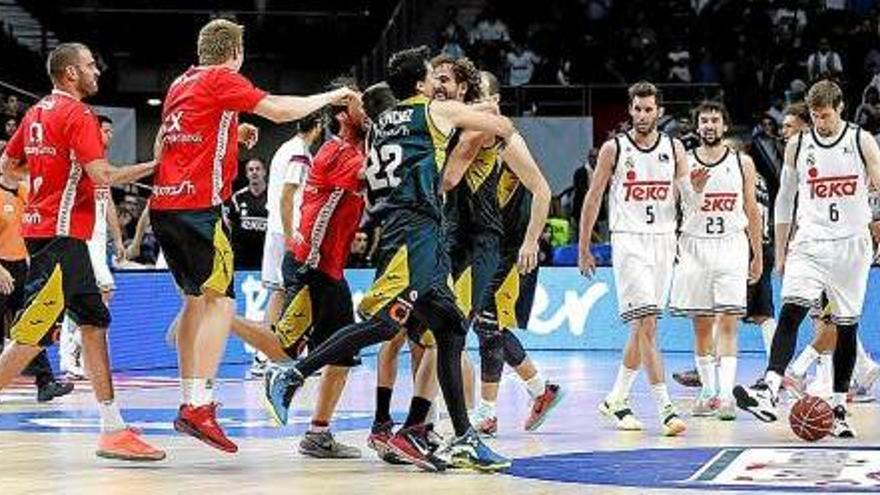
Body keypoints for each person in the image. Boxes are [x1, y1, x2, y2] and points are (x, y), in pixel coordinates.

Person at [262, 45, 518, 472]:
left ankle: (465, 439)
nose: (438, 83)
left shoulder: (381, 125)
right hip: (411, 237)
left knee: (452, 328)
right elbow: (501, 126)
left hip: (416, 235)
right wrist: (485, 105)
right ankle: (291, 374)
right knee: (384, 324)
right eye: (432, 77)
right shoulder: (435, 113)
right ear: (420, 85)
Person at [150, 18, 358, 454]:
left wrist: (230, 132)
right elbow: (280, 110)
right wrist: (334, 94)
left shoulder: (180, 83)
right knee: (222, 303)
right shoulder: (222, 77)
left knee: (194, 302)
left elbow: (170, 143)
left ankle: (191, 401)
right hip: (199, 210)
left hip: (164, 206)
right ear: (235, 53)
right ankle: (200, 406)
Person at [0, 42, 163, 460]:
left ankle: (113, 429)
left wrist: (48, 177)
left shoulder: (37, 112)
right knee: (33, 334)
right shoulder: (77, 114)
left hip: (48, 232)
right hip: (59, 235)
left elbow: (8, 166)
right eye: (91, 65)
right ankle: (113, 430)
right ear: (71, 73)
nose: (97, 71)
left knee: (93, 321)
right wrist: (154, 165)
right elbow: (103, 175)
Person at [734, 80, 880, 438]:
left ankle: (839, 406)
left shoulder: (860, 140)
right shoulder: (799, 144)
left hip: (851, 244)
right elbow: (785, 200)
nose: (820, 122)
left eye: (826, 116)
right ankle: (768, 390)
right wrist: (781, 250)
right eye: (815, 116)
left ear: (840, 108)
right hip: (810, 241)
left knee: (846, 326)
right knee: (792, 310)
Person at [230, 77, 366, 459]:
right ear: (342, 113)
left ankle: (318, 432)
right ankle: (218, 316)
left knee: (327, 351)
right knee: (300, 348)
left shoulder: (348, 147)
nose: (369, 110)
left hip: (324, 264)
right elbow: (375, 176)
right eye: (361, 104)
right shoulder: (340, 153)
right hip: (314, 264)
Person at [445, 70, 560, 436]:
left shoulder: (506, 139)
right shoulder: (466, 136)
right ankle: (540, 390)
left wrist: (531, 242)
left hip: (509, 248)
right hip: (476, 244)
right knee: (485, 324)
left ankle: (488, 412)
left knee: (488, 326)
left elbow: (543, 192)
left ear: (495, 101)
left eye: (480, 94)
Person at [578, 81, 688, 437]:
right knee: (646, 321)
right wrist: (584, 247)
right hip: (629, 241)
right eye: (637, 109)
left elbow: (690, 198)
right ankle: (666, 409)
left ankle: (617, 398)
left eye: (648, 109)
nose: (642, 115)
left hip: (665, 241)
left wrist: (696, 187)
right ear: (630, 110)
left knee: (644, 328)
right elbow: (593, 199)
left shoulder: (674, 148)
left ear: (659, 111)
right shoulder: (615, 148)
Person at [668, 101, 762, 420]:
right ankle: (708, 391)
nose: (709, 125)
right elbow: (672, 209)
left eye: (715, 120)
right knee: (702, 325)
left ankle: (725, 396)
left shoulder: (742, 163)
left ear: (725, 126)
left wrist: (757, 254)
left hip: (731, 245)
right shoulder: (684, 163)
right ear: (697, 127)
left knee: (728, 321)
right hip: (694, 246)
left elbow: (751, 209)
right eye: (704, 120)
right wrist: (692, 190)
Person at [253, 111, 323, 376]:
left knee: (280, 293)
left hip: (277, 229)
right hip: (289, 231)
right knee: (295, 293)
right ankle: (280, 355)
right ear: (317, 127)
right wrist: (291, 234)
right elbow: (288, 196)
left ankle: (264, 355)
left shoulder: (284, 148)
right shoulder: (300, 153)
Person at [59, 114, 126, 379]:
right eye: (105, 130)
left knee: (89, 299)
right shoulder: (80, 158)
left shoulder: (102, 163)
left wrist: (118, 238)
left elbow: (107, 201)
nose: (109, 135)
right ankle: (73, 349)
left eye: (111, 131)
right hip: (82, 236)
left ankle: (77, 354)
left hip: (99, 240)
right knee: (103, 291)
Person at [0, 169, 74, 402]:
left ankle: (46, 382)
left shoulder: (24, 193)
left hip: (22, 266)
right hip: (1, 267)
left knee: (31, 325)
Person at [228, 158, 268, 270]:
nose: (254, 172)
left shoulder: (274, 195)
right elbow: (230, 223)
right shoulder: (238, 197)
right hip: (242, 256)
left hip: (266, 255)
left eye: (257, 169)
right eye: (250, 170)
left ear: (264, 172)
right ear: (246, 174)